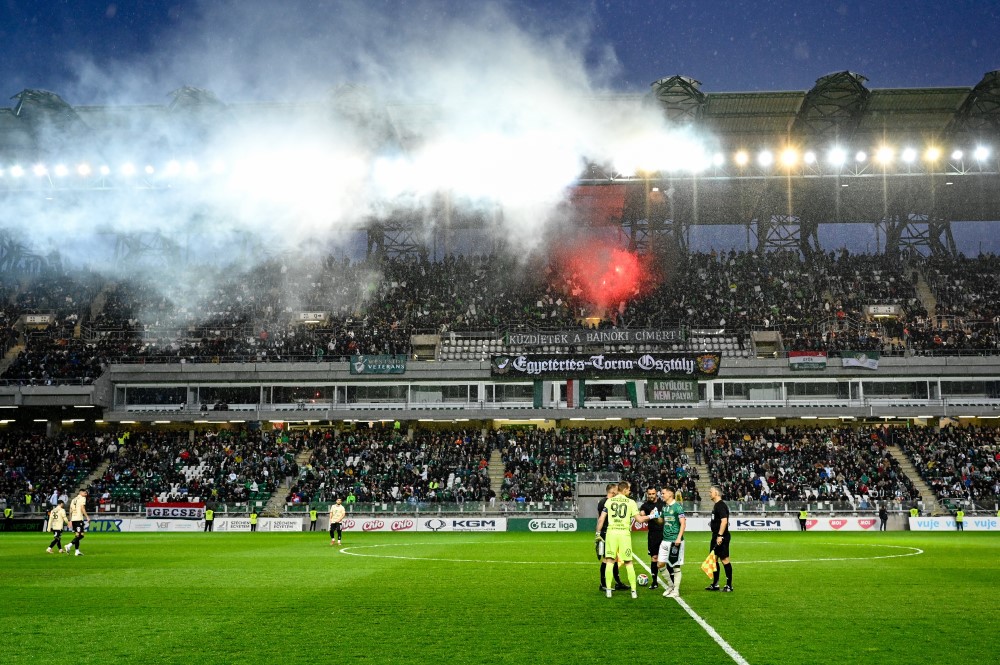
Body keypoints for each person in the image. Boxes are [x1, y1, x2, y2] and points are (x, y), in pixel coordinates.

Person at [596, 480, 639, 599]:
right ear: (624, 490)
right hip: (624, 534)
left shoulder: (609, 501)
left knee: (609, 561)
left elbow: (601, 519)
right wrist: (651, 516)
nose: (629, 491)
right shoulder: (631, 502)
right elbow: (639, 520)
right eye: (629, 489)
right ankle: (634, 591)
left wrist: (597, 534)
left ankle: (608, 590)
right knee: (628, 562)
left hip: (611, 533)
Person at [595, 483, 627, 592]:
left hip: (610, 532)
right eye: (617, 491)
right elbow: (601, 519)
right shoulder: (607, 502)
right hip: (606, 533)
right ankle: (603, 584)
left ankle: (618, 582)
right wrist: (599, 533)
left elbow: (598, 517)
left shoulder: (602, 502)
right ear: (613, 491)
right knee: (607, 559)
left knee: (614, 558)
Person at [657, 487, 687, 599]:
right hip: (665, 540)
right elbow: (661, 521)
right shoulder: (665, 508)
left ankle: (676, 590)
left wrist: (679, 538)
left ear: (670, 494)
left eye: (663, 493)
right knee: (660, 564)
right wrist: (655, 516)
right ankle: (670, 585)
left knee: (675, 566)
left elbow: (683, 523)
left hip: (675, 541)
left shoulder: (677, 507)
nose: (662, 495)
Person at [637, 486, 665, 590]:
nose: (651, 496)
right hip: (653, 535)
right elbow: (642, 517)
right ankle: (654, 582)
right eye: (649, 494)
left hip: (665, 534)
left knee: (667, 559)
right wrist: (651, 516)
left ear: (656, 493)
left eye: (653, 494)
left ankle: (672, 582)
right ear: (647, 494)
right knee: (654, 558)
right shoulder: (645, 506)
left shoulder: (663, 504)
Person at [706, 486, 733, 592]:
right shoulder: (716, 505)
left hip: (721, 536)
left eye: (711, 491)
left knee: (724, 559)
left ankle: (729, 585)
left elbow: (724, 521)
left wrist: (720, 536)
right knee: (713, 559)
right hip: (716, 535)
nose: (709, 493)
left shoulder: (720, 505)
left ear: (716, 493)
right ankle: (715, 584)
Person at [65, 490, 89, 556]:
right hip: (78, 519)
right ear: (80, 493)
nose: (86, 494)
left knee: (77, 535)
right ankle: (68, 545)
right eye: (85, 493)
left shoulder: (73, 499)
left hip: (73, 519)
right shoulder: (83, 498)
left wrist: (70, 520)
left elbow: (70, 510)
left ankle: (77, 551)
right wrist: (87, 517)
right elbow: (82, 508)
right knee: (81, 535)